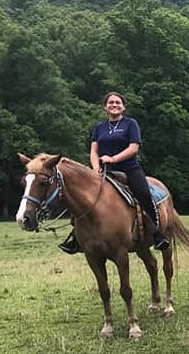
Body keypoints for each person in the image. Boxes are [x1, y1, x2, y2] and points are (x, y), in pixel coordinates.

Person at [59, 92, 169, 254]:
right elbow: (94, 150)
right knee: (81, 199)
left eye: (118, 102)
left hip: (129, 169)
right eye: (110, 102)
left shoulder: (131, 124)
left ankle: (158, 233)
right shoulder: (99, 127)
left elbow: (133, 148)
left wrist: (113, 158)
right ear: (105, 107)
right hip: (104, 171)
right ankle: (76, 237)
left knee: (143, 193)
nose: (114, 104)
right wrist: (95, 167)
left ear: (123, 107)